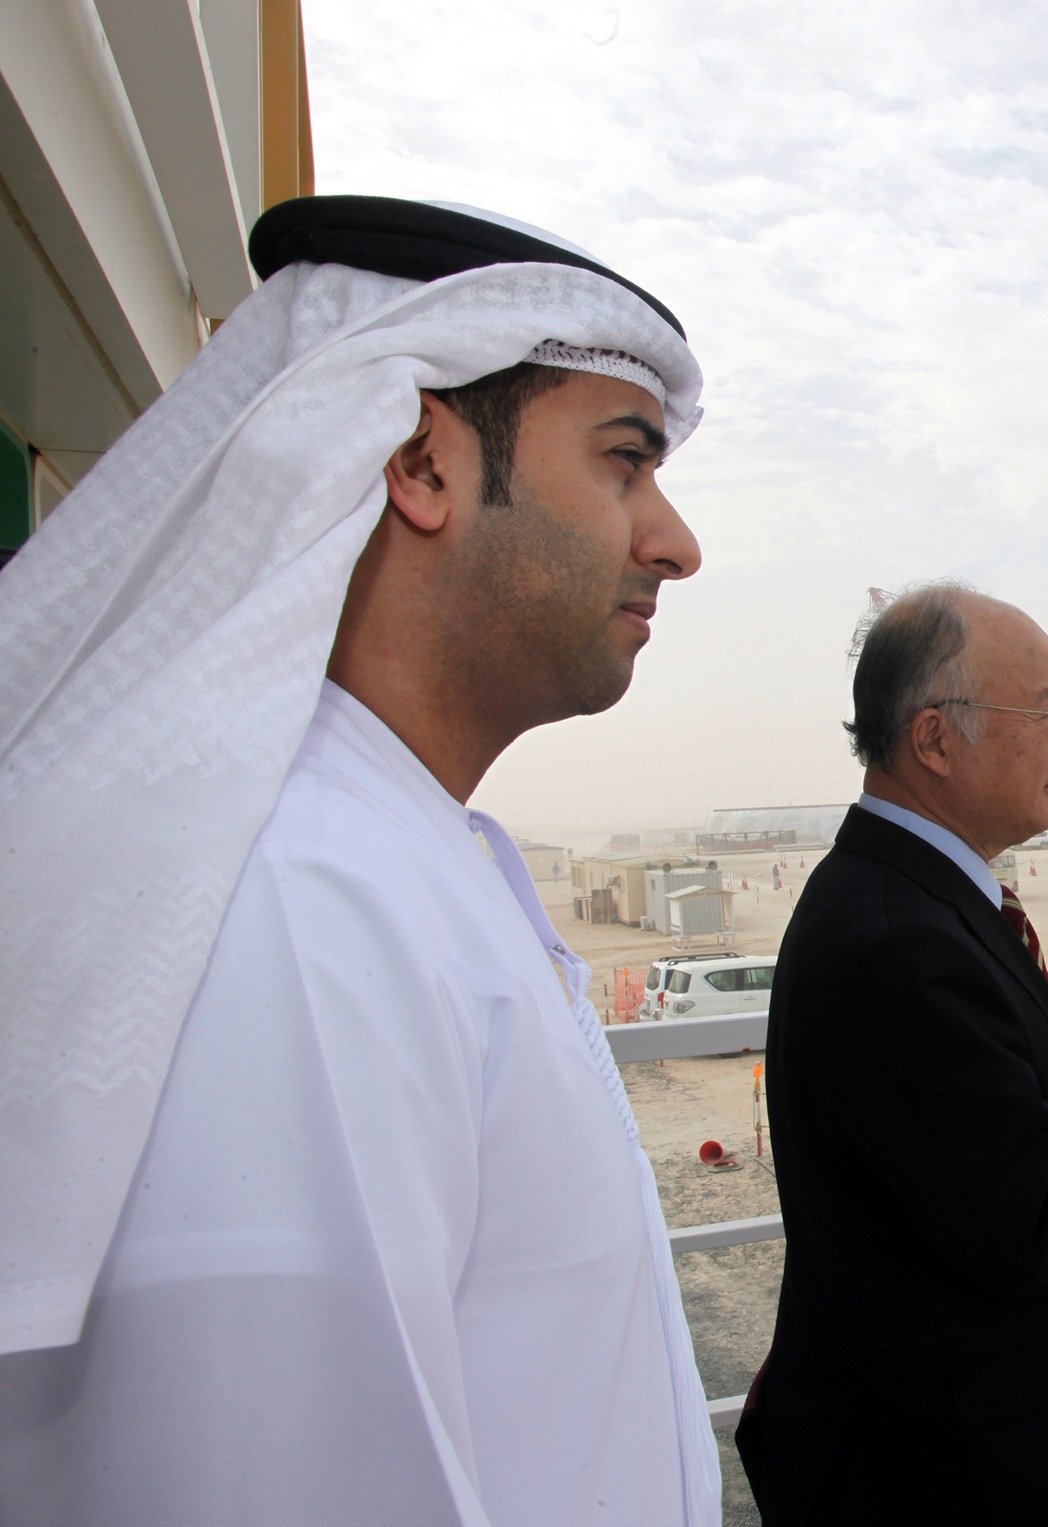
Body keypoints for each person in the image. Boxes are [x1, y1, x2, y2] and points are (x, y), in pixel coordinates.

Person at [0, 196, 721, 1525]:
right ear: (420, 462)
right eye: (625, 462)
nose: (674, 541)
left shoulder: (398, 855)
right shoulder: (299, 904)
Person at [740, 582, 1048, 1524]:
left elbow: (950, 1119)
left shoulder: (909, 899)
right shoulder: (897, 939)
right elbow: (1028, 1214)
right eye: (1046, 713)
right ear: (936, 739)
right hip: (971, 1477)